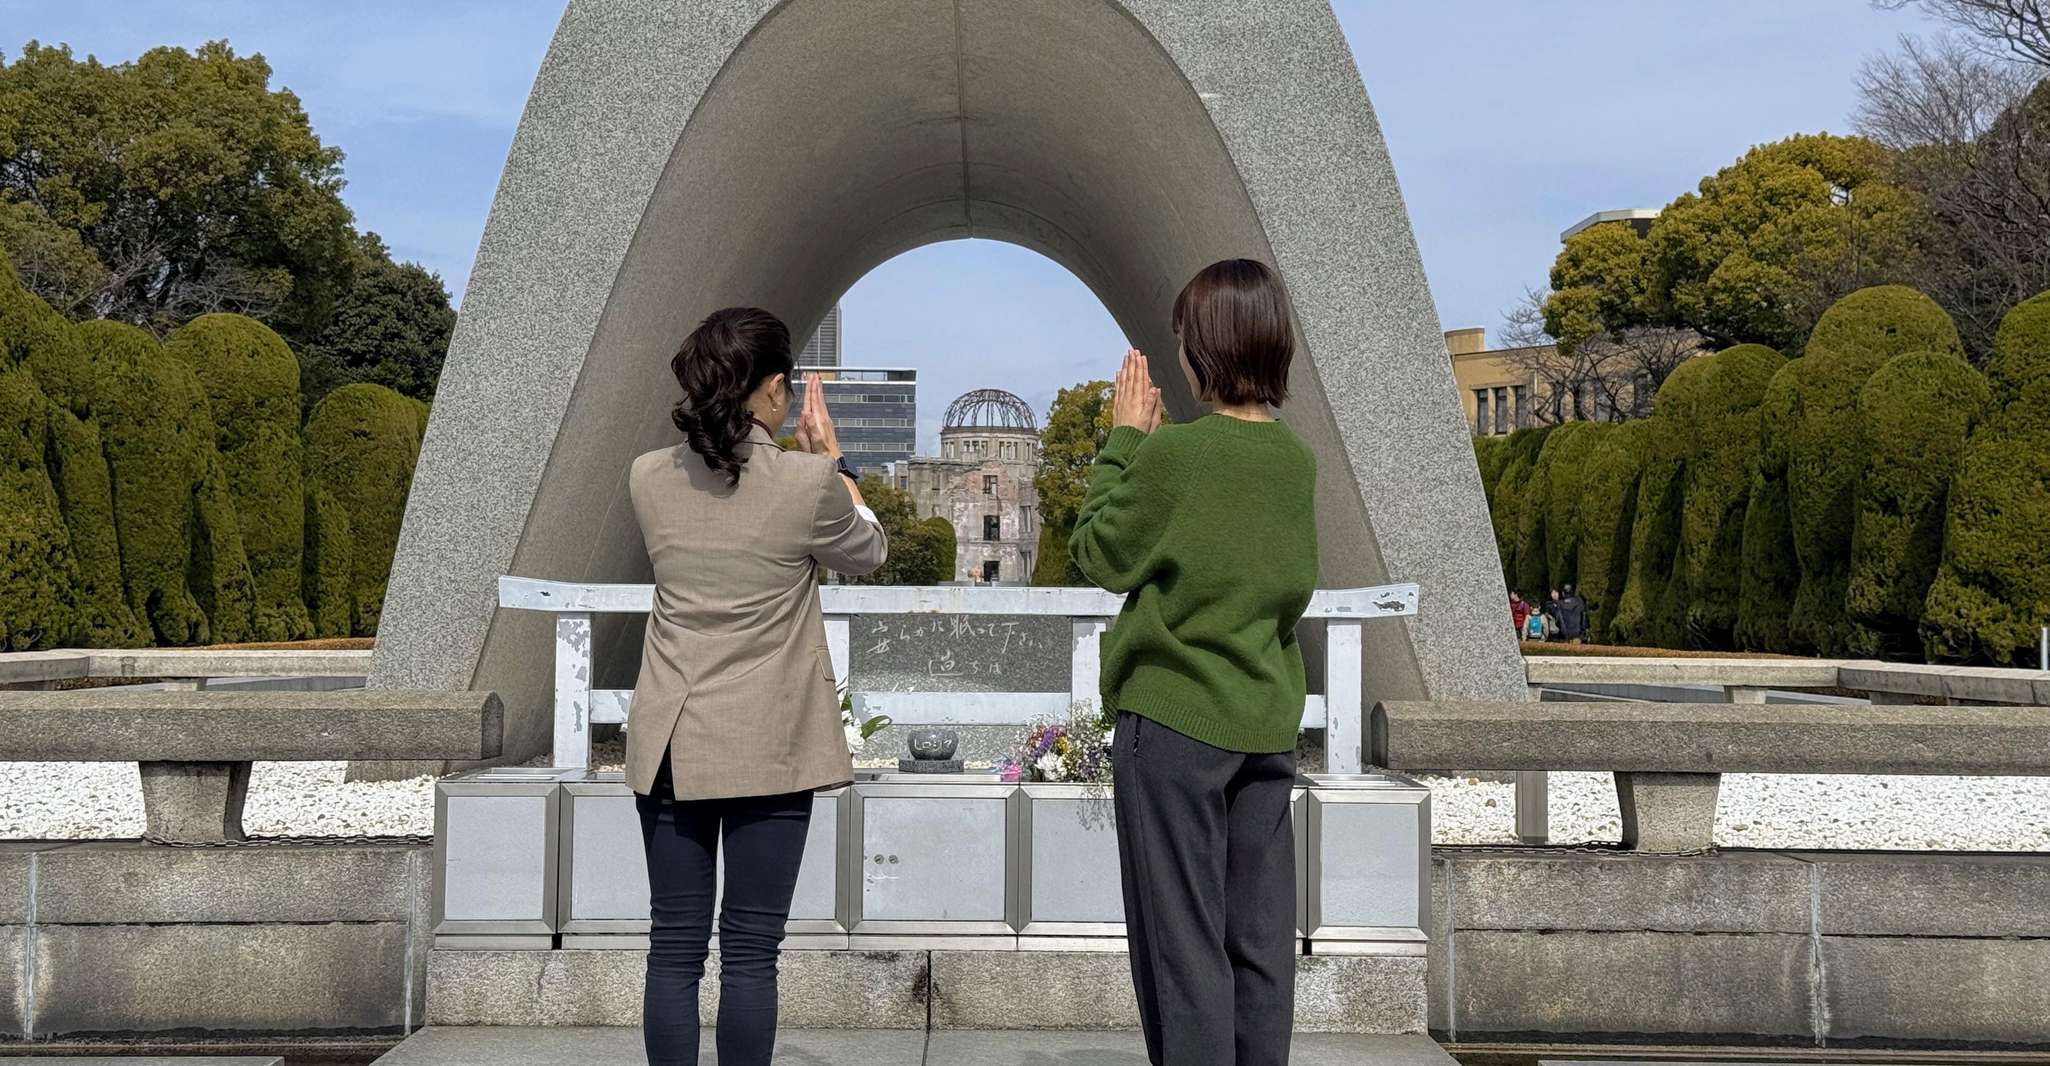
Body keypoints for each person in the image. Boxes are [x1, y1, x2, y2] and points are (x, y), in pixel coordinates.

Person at [625, 307, 887, 1066]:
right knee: (749, 952)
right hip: (769, 748)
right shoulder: (808, 485)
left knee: (673, 946)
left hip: (670, 746)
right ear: (774, 389)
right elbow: (869, 550)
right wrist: (834, 461)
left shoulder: (647, 476)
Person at [1070, 259, 1316, 1066]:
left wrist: (1123, 443)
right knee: (1259, 942)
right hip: (1264, 721)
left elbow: (1099, 552)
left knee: (1184, 947)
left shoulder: (1178, 456)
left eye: (1184, 340)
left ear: (1203, 348)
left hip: (1174, 723)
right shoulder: (1296, 461)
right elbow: (1288, 589)